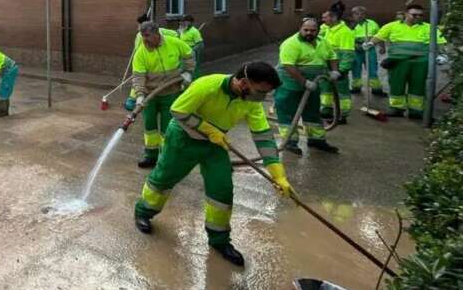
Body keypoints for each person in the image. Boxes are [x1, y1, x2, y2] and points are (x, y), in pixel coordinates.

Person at [134, 62, 293, 267]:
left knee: (222, 190)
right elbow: (178, 110)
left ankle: (219, 240)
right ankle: (143, 212)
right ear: (244, 82)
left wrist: (278, 174)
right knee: (163, 179)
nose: (261, 98)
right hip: (184, 138)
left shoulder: (250, 101)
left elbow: (263, 136)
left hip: (216, 144)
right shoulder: (208, 85)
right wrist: (208, 129)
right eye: (260, 91)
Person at [128, 21, 195, 169]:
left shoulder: (174, 43)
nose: (144, 40)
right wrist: (139, 95)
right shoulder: (141, 52)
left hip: (171, 93)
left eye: (147, 36)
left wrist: (188, 73)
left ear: (156, 34)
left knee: (168, 128)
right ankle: (151, 157)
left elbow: (189, 55)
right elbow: (138, 76)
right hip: (149, 96)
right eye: (142, 36)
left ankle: (166, 158)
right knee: (149, 127)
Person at [364, 4, 447, 119]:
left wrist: (443, 54)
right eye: (414, 15)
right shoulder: (392, 26)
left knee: (418, 87)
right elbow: (379, 36)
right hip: (397, 62)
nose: (417, 17)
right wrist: (370, 43)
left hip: (420, 62)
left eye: (420, 15)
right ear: (406, 14)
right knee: (396, 85)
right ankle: (397, 109)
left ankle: (416, 111)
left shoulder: (429, 27)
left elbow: (440, 41)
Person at [274, 18, 341, 155]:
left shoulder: (323, 42)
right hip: (290, 85)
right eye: (306, 30)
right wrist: (304, 82)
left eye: (312, 30)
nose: (309, 33)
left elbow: (332, 56)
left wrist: (334, 70)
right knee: (289, 114)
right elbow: (288, 65)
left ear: (318, 30)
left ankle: (316, 140)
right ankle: (290, 142)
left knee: (313, 112)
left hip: (313, 84)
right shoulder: (291, 43)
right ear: (300, 29)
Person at [319, 9, 355, 123]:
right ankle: (326, 110)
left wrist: (342, 70)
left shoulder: (345, 32)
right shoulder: (329, 30)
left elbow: (348, 53)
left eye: (325, 17)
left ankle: (342, 115)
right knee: (326, 89)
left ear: (334, 18)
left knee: (341, 92)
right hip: (327, 66)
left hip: (338, 67)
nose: (323, 20)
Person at [349, 6, 385, 97]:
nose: (359, 16)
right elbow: (347, 39)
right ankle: (356, 87)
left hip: (370, 50)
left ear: (365, 14)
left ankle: (376, 89)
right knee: (356, 69)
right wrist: (355, 45)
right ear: (353, 15)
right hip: (356, 51)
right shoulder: (350, 25)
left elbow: (380, 35)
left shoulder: (372, 23)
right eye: (356, 14)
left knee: (372, 68)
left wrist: (382, 47)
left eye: (362, 14)